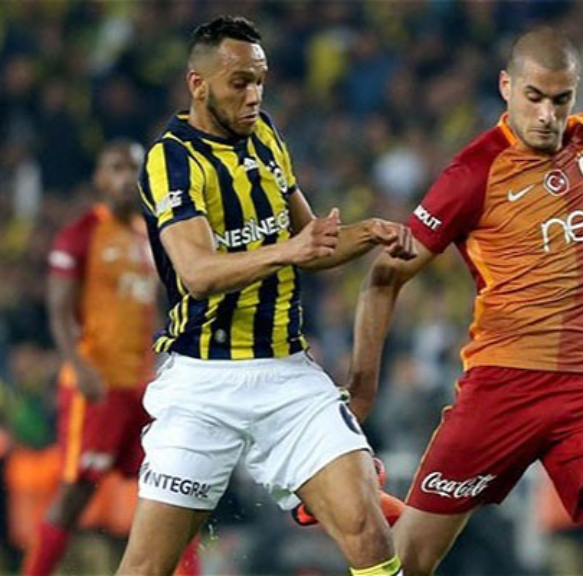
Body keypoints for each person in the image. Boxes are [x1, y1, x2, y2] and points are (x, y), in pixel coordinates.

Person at [348, 26, 583, 576]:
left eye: (560, 99)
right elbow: (385, 276)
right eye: (534, 97)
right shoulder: (473, 173)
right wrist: (363, 385)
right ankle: (356, 505)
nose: (548, 115)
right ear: (506, 86)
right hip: (504, 387)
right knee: (410, 561)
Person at [115, 16, 413, 576]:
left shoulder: (265, 135)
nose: (253, 96)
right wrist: (289, 250)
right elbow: (197, 272)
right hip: (203, 383)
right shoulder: (171, 159)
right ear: (198, 84)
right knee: (147, 567)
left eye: (259, 81)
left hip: (286, 375)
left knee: (368, 530)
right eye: (239, 83)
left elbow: (312, 245)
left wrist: (369, 232)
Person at [22, 141, 200, 576]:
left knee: (177, 488)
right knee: (75, 495)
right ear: (100, 178)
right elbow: (59, 312)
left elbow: (152, 308)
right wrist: (78, 366)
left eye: (134, 169)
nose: (127, 178)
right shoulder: (81, 233)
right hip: (96, 387)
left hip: (141, 387)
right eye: (117, 168)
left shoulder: (149, 236)